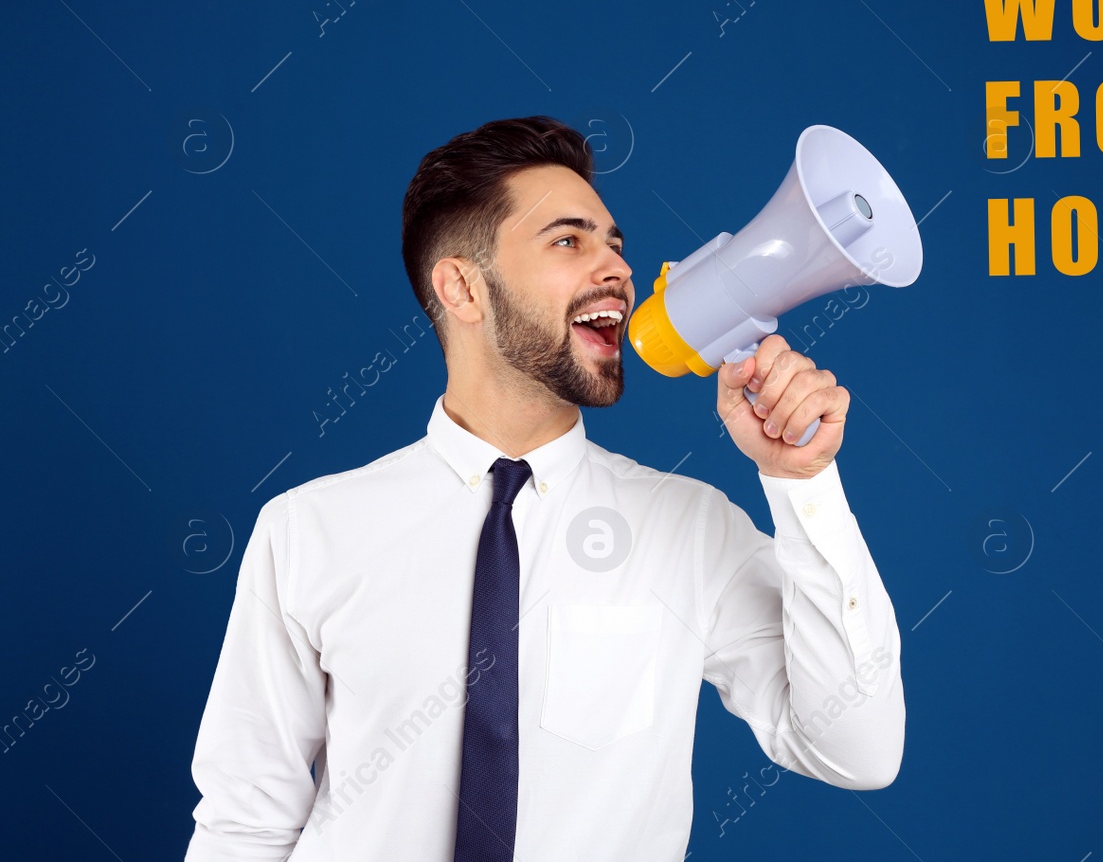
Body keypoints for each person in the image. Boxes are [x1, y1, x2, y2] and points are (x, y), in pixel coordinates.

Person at [183, 116, 904, 861]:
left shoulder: (692, 529)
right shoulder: (309, 530)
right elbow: (245, 824)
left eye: (615, 244)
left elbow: (858, 750)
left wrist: (803, 483)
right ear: (461, 285)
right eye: (569, 241)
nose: (617, 269)